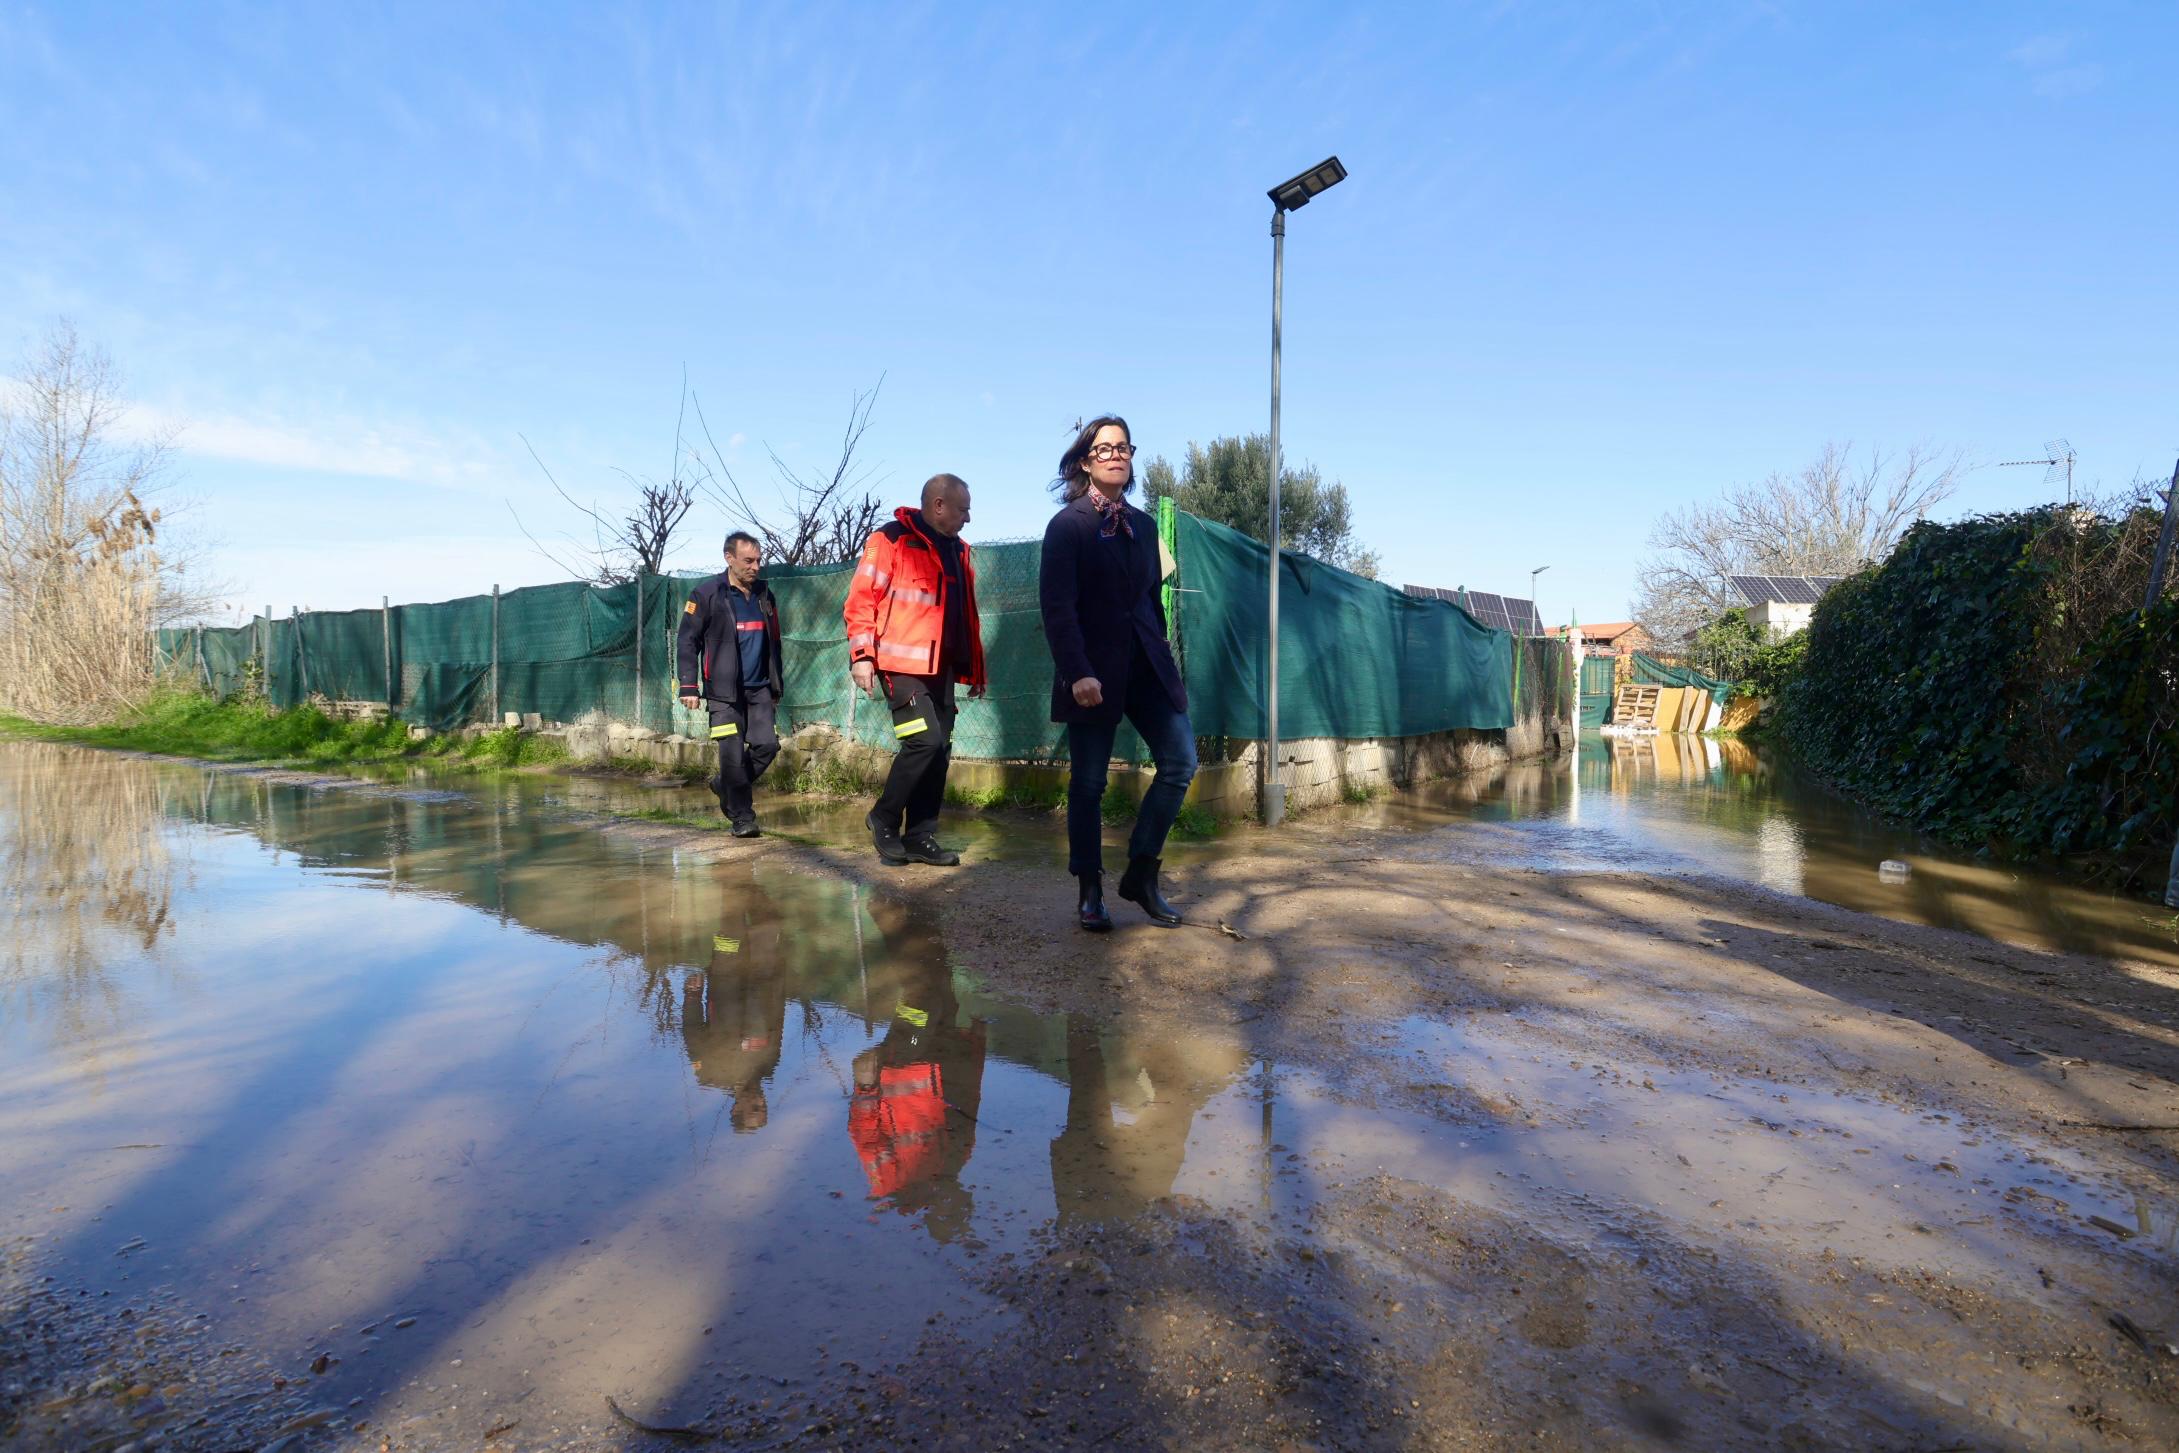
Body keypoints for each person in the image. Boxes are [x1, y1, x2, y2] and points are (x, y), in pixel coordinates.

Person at [1038, 415, 1197, 931]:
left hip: (1148, 666)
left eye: (1124, 447)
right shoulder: (1069, 526)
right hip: (1093, 672)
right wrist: (1077, 672)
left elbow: (1152, 604)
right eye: (1104, 449)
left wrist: (1167, 664)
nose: (1116, 455)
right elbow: (1058, 609)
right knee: (1088, 784)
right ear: (1085, 461)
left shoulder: (1146, 527)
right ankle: (1090, 889)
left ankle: (1142, 874)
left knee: (1180, 762)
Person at [843, 474, 987, 867]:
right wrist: (862, 655)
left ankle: (921, 837)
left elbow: (966, 618)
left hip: (941, 670)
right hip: (900, 665)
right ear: (938, 505)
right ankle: (884, 818)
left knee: (940, 750)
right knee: (923, 741)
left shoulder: (959, 551)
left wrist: (975, 671)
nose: (968, 518)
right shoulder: (890, 539)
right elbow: (861, 599)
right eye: (963, 509)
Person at [677, 531, 784, 836]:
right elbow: (687, 641)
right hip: (723, 693)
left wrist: (776, 685)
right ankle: (742, 817)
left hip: (759, 688)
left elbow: (774, 642)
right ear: (729, 558)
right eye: (749, 560)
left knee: (767, 746)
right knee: (732, 754)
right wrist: (688, 686)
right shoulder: (706, 594)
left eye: (759, 560)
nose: (756, 566)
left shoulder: (765, 594)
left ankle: (725, 785)